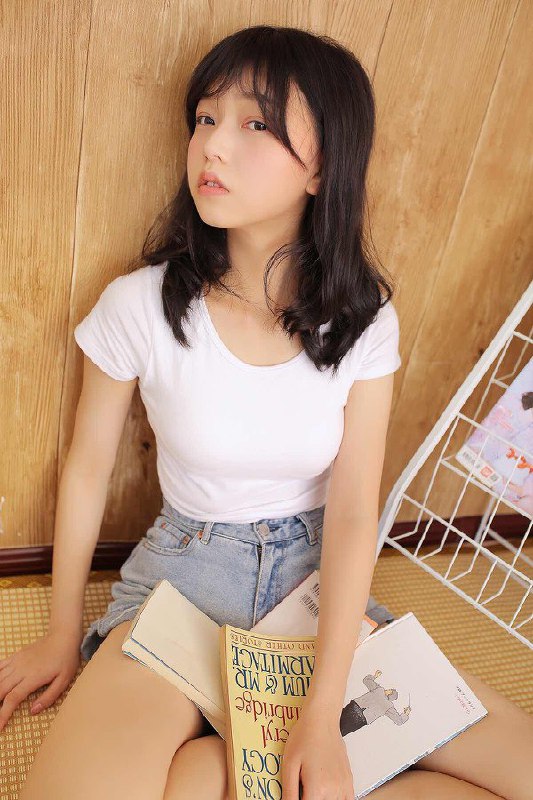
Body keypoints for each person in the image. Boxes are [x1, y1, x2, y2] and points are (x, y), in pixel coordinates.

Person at [2, 24, 531, 800]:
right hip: (181, 580)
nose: (212, 146)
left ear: (321, 167)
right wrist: (60, 631)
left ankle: (213, 773)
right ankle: (221, 766)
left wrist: (322, 710)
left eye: (255, 123)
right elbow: (84, 471)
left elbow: (352, 511)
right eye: (205, 118)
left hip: (314, 584)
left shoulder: (363, 321)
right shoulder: (138, 305)